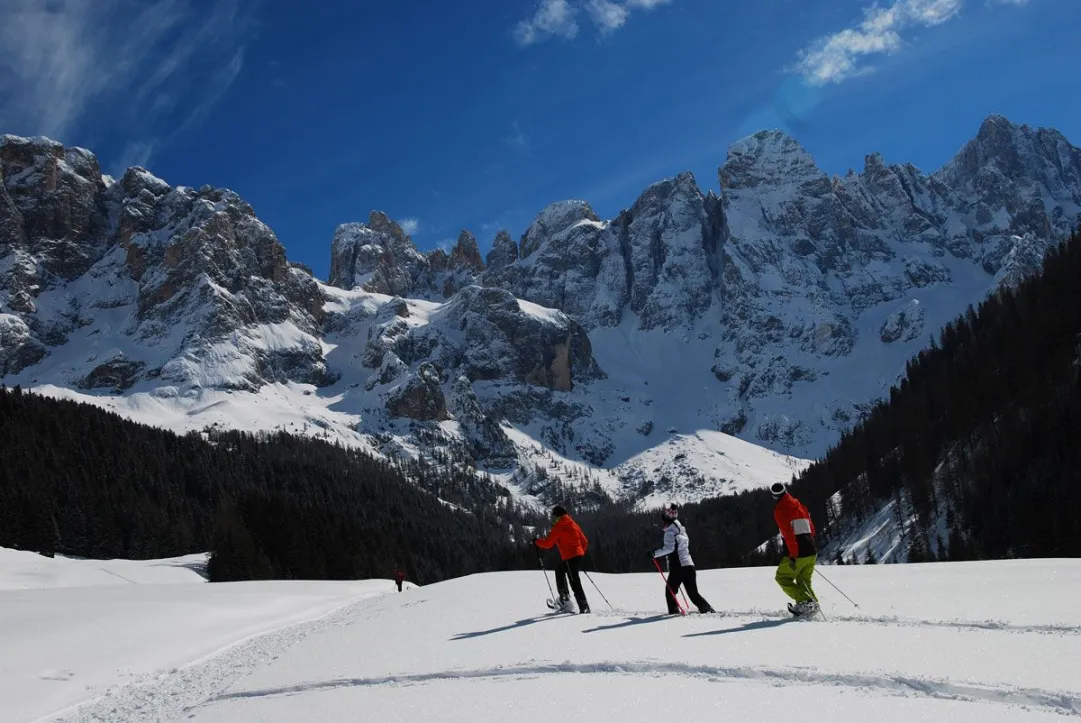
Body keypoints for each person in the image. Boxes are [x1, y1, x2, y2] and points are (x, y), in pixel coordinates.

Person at [652, 503, 715, 614]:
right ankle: (708, 611)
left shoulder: (670, 533)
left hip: (678, 566)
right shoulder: (682, 531)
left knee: (670, 592)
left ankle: (674, 613)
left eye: (664, 517)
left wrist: (654, 554)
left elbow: (669, 549)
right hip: (689, 565)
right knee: (693, 594)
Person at [771, 482, 819, 616]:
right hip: (811, 549)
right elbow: (812, 529)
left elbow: (788, 534)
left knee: (782, 577)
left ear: (774, 496)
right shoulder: (800, 506)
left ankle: (806, 602)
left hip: (799, 552)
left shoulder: (780, 510)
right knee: (804, 581)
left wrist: (793, 555)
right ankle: (812, 606)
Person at [534, 504, 591, 614]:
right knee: (561, 571)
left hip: (570, 556)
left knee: (574, 581)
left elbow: (548, 544)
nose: (552, 518)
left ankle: (573, 604)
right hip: (577, 555)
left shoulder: (559, 526)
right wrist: (580, 553)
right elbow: (584, 541)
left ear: (557, 516)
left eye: (553, 516)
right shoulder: (573, 523)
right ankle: (567, 599)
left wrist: (536, 541)